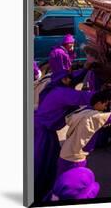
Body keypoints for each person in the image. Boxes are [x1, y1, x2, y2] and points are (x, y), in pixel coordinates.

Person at [33, 69, 94, 201]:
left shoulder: (54, 86)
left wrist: (86, 67)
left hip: (39, 127)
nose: (71, 80)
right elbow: (84, 97)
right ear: (64, 80)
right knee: (41, 163)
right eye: (69, 78)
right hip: (43, 133)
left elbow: (74, 78)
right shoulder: (63, 93)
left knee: (46, 161)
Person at [57, 91, 111, 176]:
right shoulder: (94, 117)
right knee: (73, 182)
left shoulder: (83, 110)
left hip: (66, 151)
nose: (105, 108)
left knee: (62, 180)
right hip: (74, 158)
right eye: (105, 105)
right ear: (99, 103)